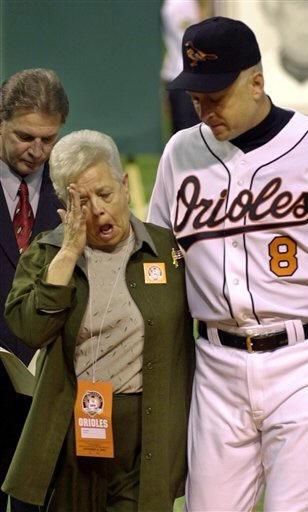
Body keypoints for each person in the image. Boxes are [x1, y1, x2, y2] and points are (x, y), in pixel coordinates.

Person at [147, 16, 308, 512]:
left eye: (216, 96)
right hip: (215, 365)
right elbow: (159, 261)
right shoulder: (180, 154)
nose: (204, 110)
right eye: (196, 97)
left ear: (256, 82)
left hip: (304, 362)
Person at [1, 130, 194, 511]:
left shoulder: (168, 250)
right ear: (65, 206)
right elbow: (30, 330)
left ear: (125, 185)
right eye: (83, 202)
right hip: (72, 433)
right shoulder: (47, 253)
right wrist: (68, 255)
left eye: (105, 194)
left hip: (148, 432)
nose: (99, 210)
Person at [0, 68, 69, 512]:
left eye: (49, 139)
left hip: (48, 391)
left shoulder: (72, 187)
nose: (38, 151)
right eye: (25, 137)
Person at [161, 0, 212, 133]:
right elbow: (193, 44)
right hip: (188, 82)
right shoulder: (181, 5)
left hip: (187, 80)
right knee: (191, 137)